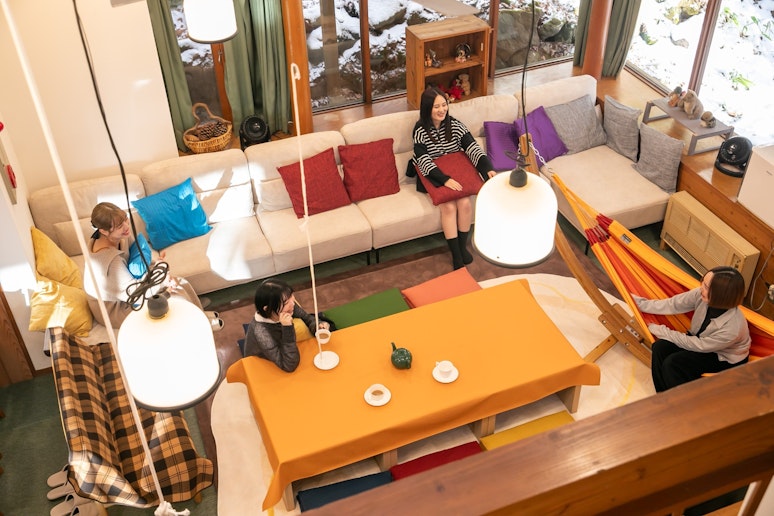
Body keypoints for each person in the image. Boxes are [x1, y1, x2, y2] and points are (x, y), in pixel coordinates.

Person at [85, 202, 222, 331]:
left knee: (178, 281)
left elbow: (139, 257)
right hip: (117, 308)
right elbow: (135, 296)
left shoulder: (118, 236)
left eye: (125, 219)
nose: (126, 226)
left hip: (128, 289)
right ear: (103, 231)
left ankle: (197, 312)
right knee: (170, 298)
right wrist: (161, 280)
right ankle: (199, 325)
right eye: (120, 226)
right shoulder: (109, 263)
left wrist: (160, 271)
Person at [408, 86, 497, 269]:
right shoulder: (420, 130)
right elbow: (422, 159)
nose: (442, 110)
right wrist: (444, 179)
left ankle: (462, 247)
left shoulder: (455, 125)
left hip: (456, 172)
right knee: (448, 207)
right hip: (432, 174)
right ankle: (456, 254)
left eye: (444, 105)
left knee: (464, 203)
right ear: (427, 109)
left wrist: (486, 167)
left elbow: (472, 147)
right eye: (436, 107)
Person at [634, 266, 750, 392]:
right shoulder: (701, 295)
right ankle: (663, 395)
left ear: (721, 295)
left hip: (723, 356)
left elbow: (699, 346)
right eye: (703, 282)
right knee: (659, 347)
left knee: (674, 364)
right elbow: (673, 304)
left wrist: (661, 331)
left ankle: (684, 401)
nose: (701, 288)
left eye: (707, 287)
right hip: (700, 340)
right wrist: (638, 303)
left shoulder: (732, 328)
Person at [243, 278, 331, 372]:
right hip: (262, 364)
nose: (292, 303)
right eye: (286, 303)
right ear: (268, 309)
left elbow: (307, 318)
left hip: (284, 349)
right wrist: (287, 328)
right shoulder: (261, 333)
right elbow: (289, 365)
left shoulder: (287, 306)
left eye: (292, 296)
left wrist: (318, 326)